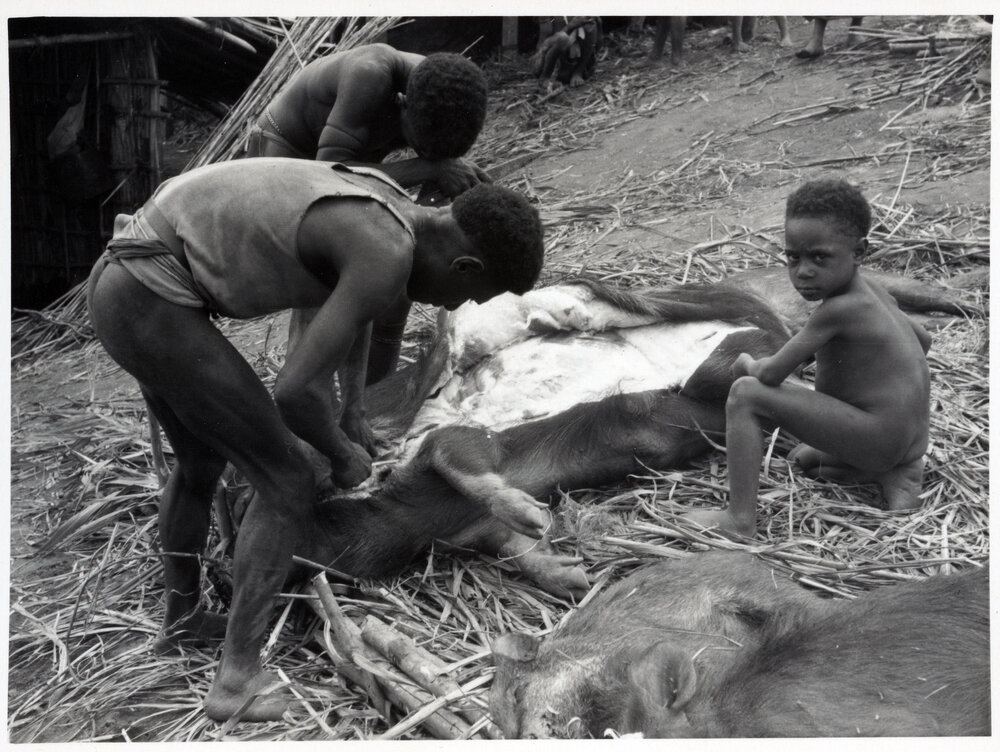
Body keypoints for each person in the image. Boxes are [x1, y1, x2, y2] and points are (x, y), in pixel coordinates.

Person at [86, 157, 545, 721]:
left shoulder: (389, 205)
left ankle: (182, 619)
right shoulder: (385, 250)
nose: (457, 307)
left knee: (201, 461)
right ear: (466, 264)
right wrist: (339, 452)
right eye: (471, 294)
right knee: (287, 480)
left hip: (125, 282)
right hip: (149, 298)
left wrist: (353, 407)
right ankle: (236, 681)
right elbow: (295, 392)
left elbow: (354, 313)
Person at [246, 43, 493, 417]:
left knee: (395, 277)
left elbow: (428, 175)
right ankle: (308, 410)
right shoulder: (370, 74)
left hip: (349, 167)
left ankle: (372, 407)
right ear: (402, 103)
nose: (423, 153)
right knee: (329, 276)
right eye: (421, 147)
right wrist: (428, 170)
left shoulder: (447, 92)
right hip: (289, 155)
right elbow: (328, 176)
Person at [685, 179, 931, 538]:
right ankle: (890, 471)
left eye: (819, 257)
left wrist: (744, 363)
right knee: (804, 458)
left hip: (880, 441)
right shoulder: (875, 293)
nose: (803, 271)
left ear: (860, 252)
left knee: (745, 393)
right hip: (906, 444)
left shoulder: (836, 311)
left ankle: (738, 520)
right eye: (793, 258)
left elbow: (769, 375)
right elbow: (923, 340)